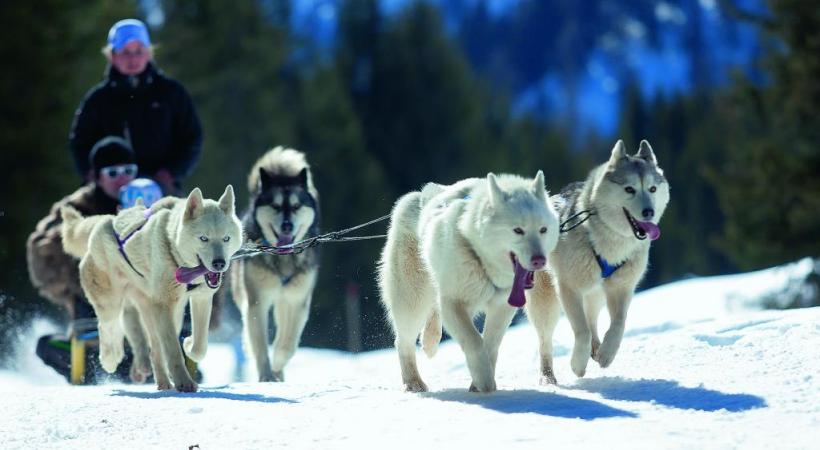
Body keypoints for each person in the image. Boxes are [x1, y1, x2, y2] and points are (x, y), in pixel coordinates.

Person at [27, 136, 140, 383]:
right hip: (92, 320)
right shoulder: (76, 208)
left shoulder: (153, 199)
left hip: (143, 321)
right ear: (97, 177)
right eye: (112, 172)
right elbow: (41, 252)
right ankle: (90, 372)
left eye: (129, 170)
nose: (122, 178)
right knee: (46, 346)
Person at [69, 18, 202, 196]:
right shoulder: (98, 99)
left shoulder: (171, 93)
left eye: (139, 51)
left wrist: (171, 172)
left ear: (149, 53)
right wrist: (92, 175)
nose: (133, 59)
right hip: (110, 192)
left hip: (160, 189)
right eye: (125, 52)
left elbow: (192, 138)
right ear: (112, 56)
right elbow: (79, 141)